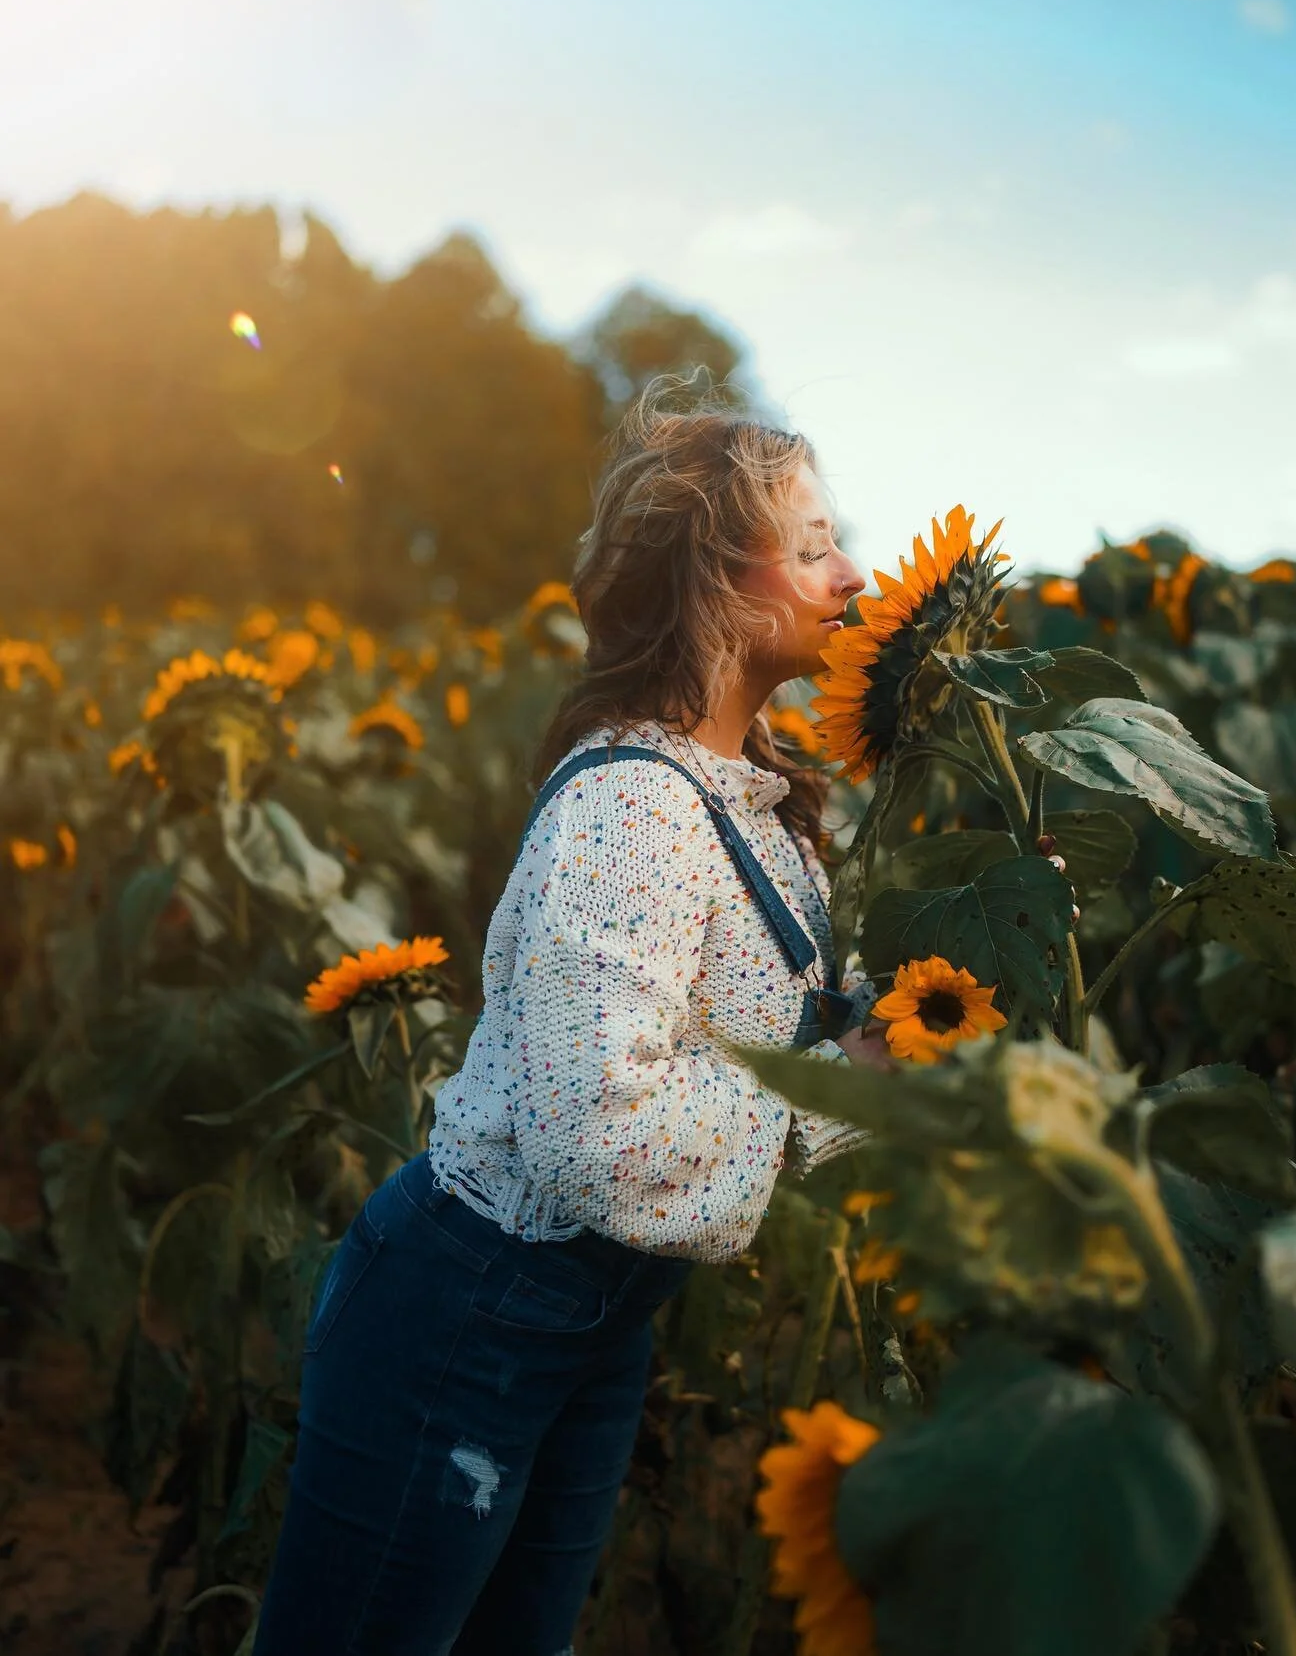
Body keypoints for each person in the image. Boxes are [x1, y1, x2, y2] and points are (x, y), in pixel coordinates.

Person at [252, 392, 896, 1656]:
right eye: (815, 544)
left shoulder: (753, 800)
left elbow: (771, 1030)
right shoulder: (633, 813)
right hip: (469, 1309)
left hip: (598, 1314)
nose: (855, 575)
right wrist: (844, 1091)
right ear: (713, 581)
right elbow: (590, 1131)